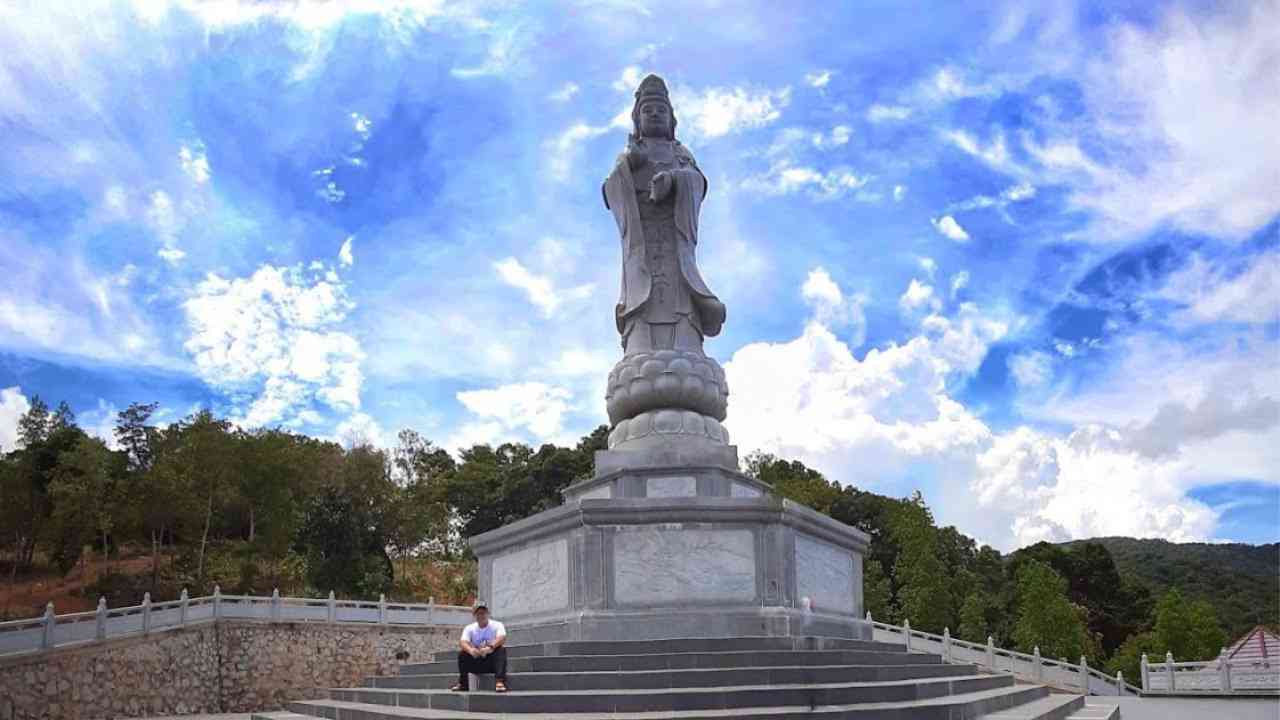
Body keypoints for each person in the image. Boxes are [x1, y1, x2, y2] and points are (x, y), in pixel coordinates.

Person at [452, 600, 508, 693]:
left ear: (488, 613)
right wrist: (471, 651)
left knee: (501, 650)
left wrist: (490, 648)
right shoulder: (469, 628)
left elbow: (502, 637)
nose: (481, 615)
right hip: (477, 661)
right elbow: (463, 642)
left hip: (492, 663)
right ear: (474, 615)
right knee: (462, 654)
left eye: (483, 613)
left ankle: (499, 682)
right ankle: (463, 684)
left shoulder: (497, 625)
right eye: (478, 613)